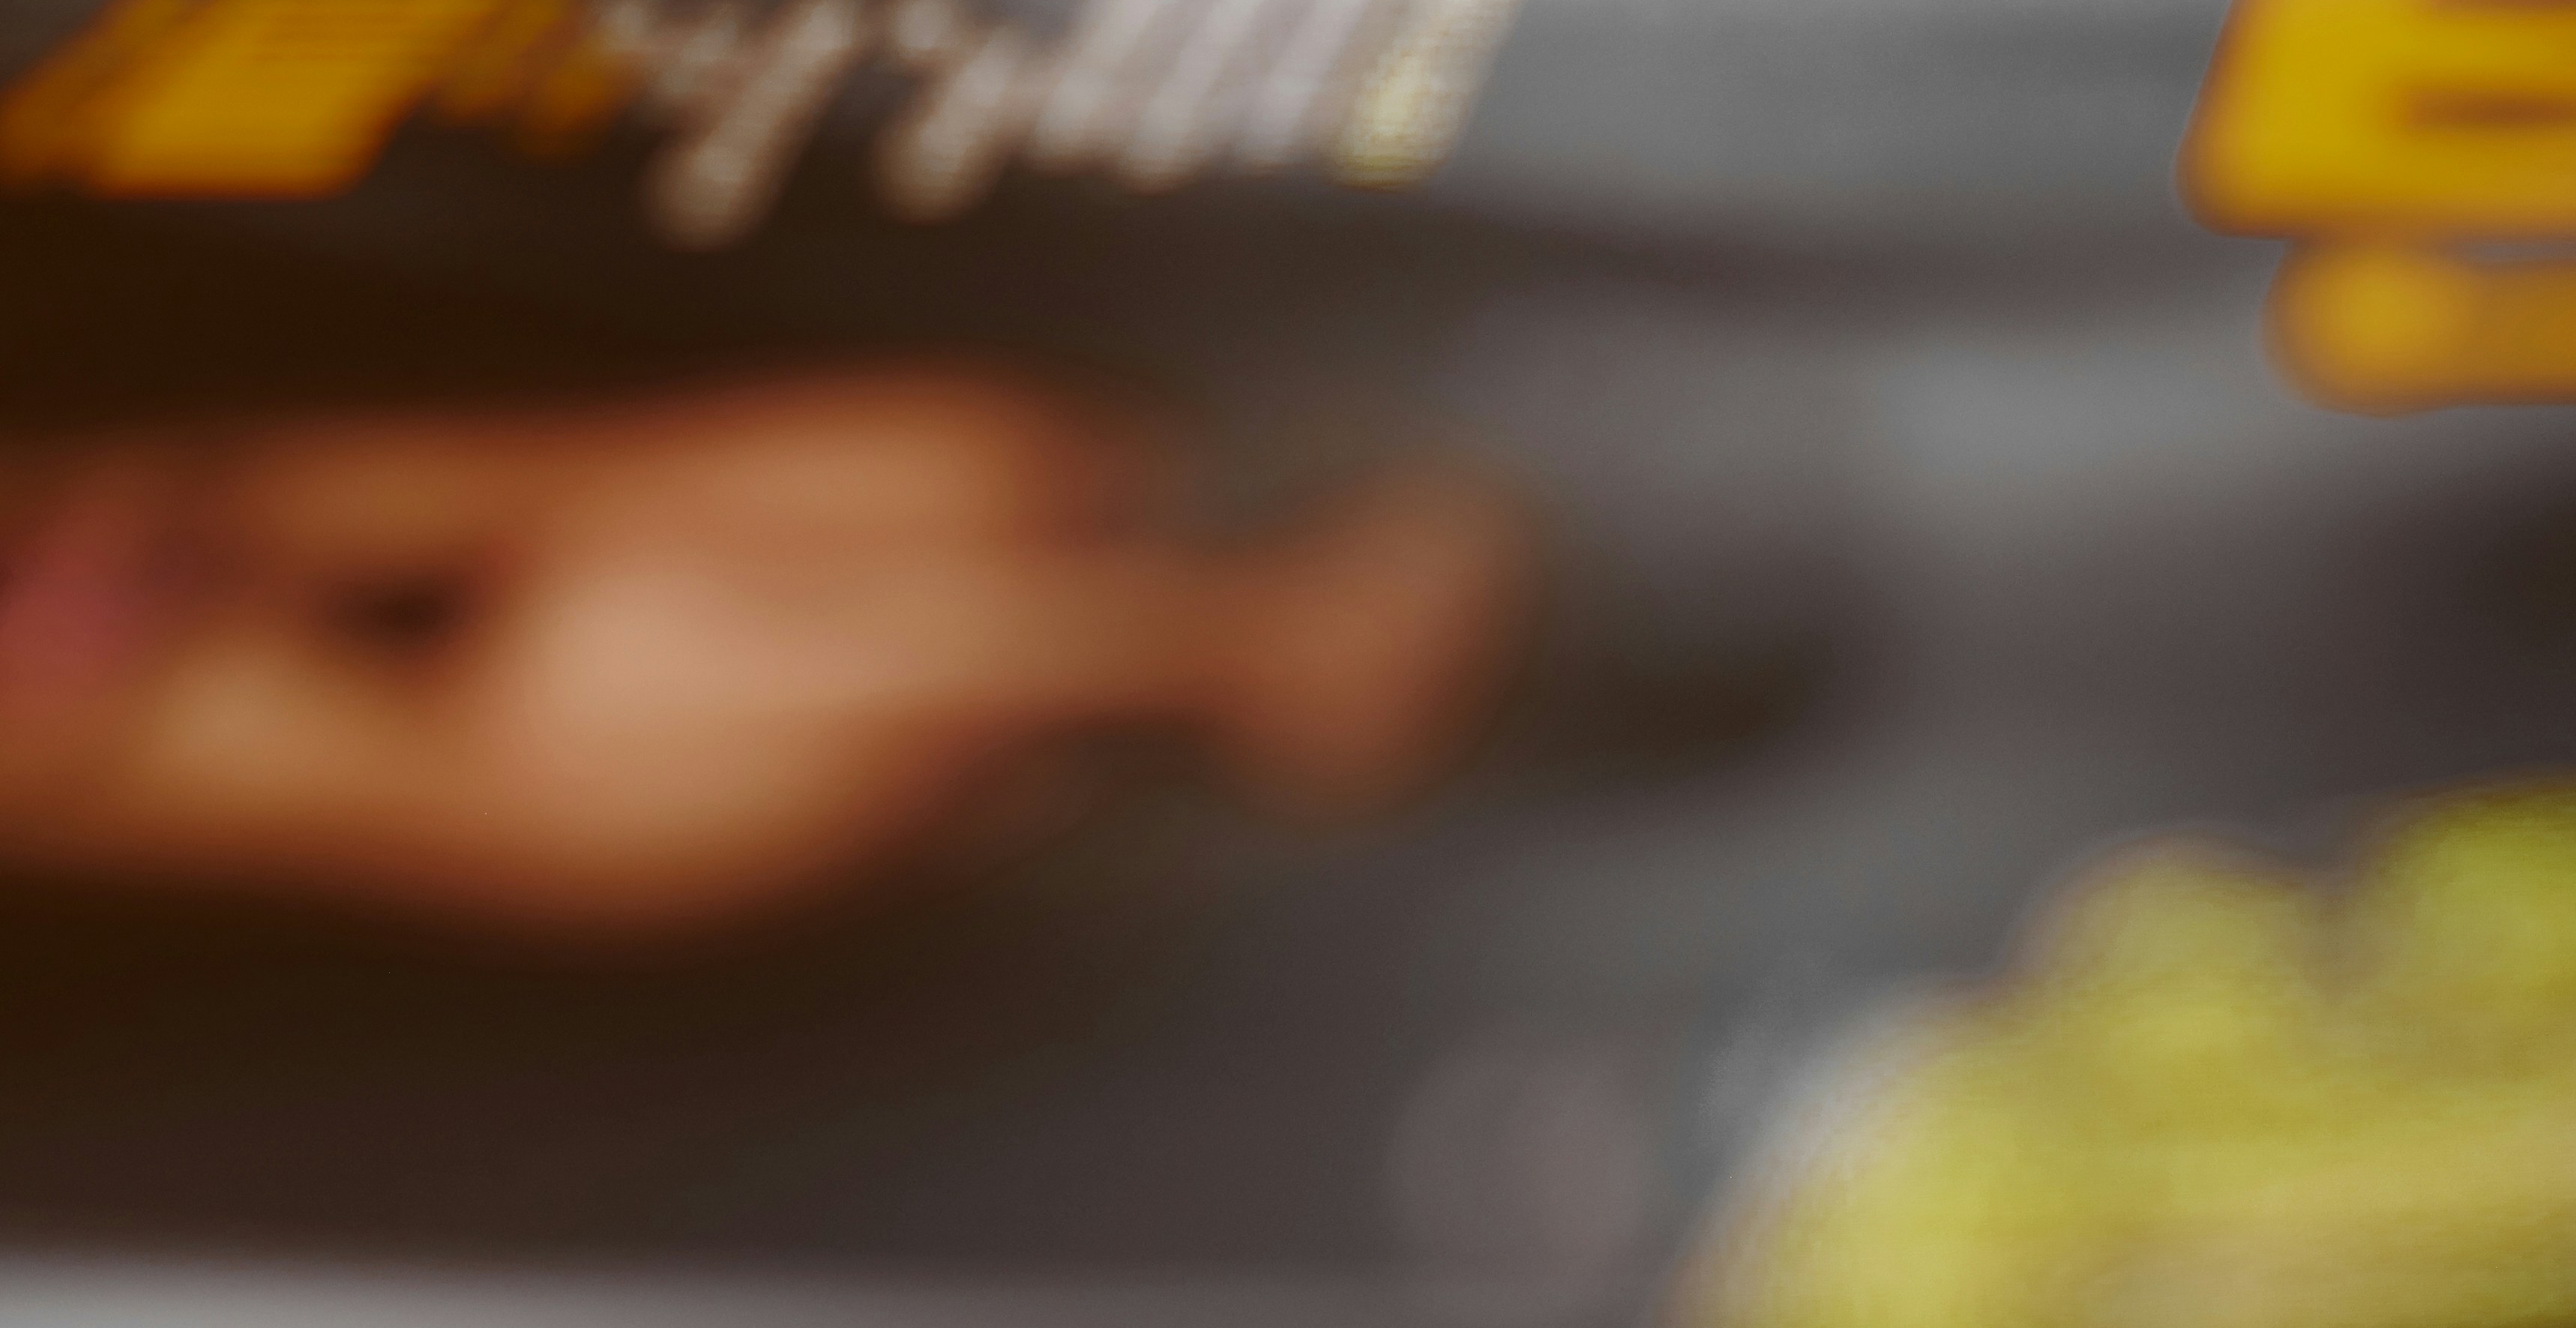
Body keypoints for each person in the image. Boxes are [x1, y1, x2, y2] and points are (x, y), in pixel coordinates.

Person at [0, 368, 1537, 934]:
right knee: (630, 641)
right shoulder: (138, 765)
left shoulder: (137, 504)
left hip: (700, 589)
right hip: (652, 773)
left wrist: (167, 534)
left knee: (944, 469)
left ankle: (1225, 625)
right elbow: (379, 756)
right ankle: (1241, 646)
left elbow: (469, 483)